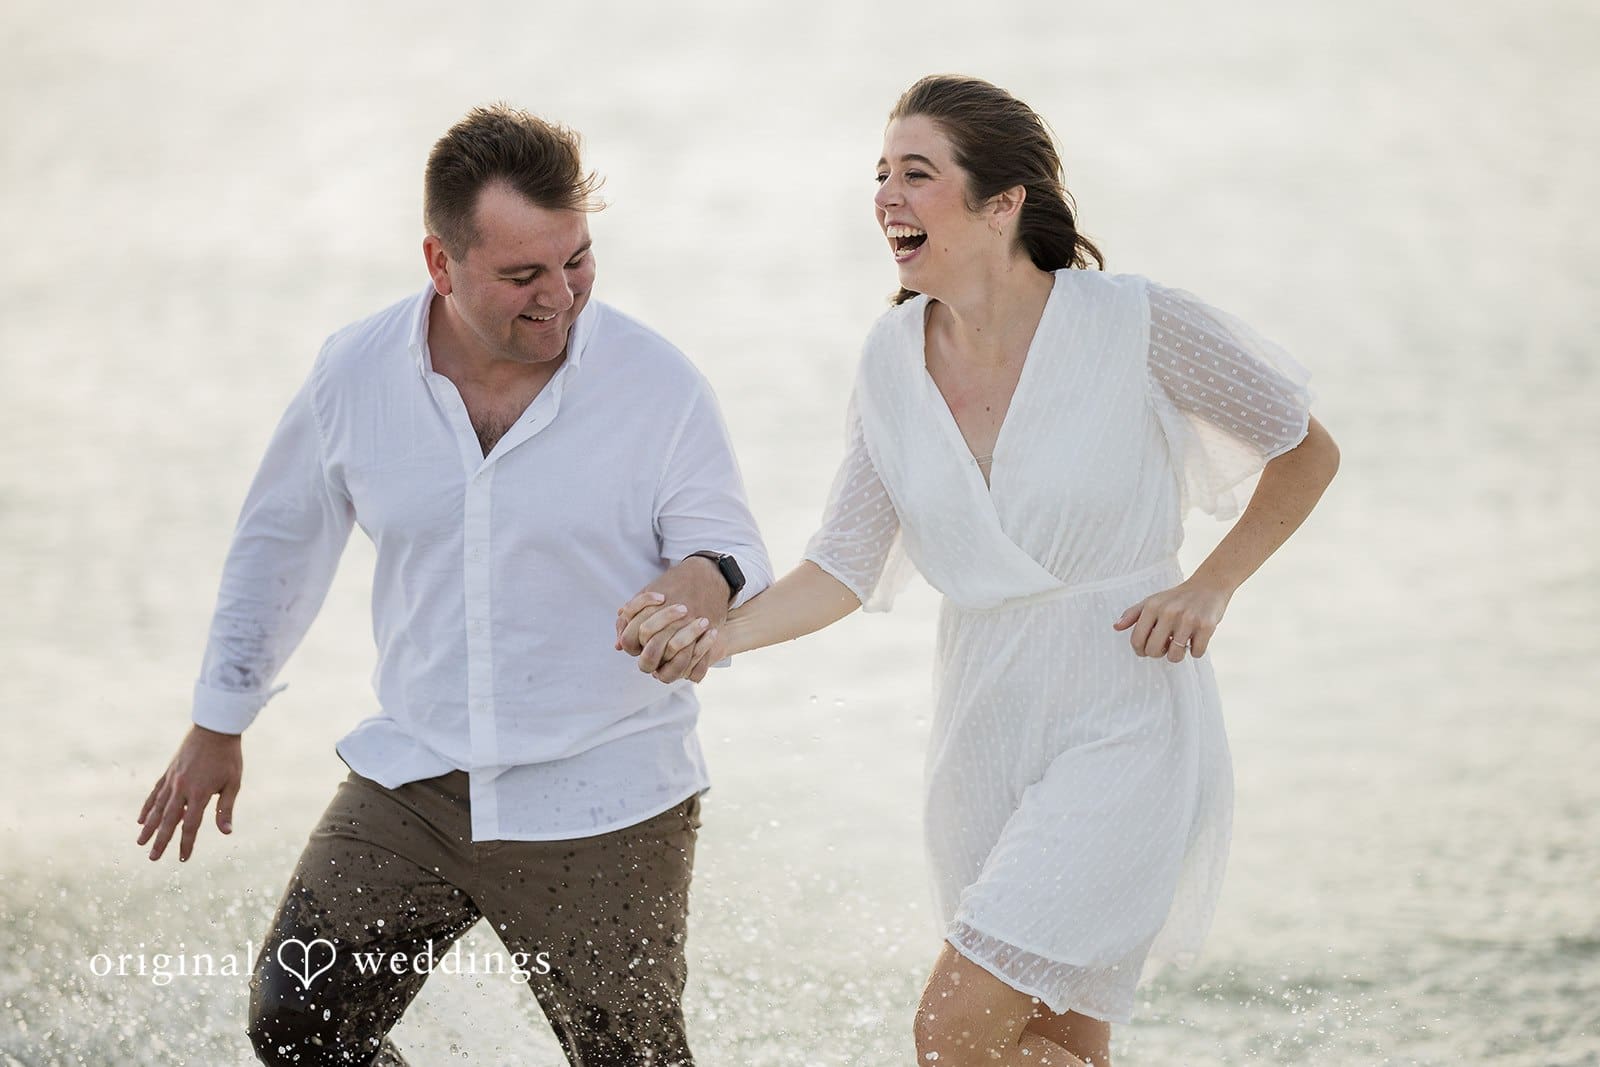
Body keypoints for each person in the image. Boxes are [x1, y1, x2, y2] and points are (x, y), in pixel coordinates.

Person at [618, 75, 1339, 1066]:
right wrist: (721, 635)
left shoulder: (1135, 323)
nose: (886, 196)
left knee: (949, 1032)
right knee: (1052, 1037)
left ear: (1004, 202)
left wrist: (1209, 581)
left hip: (1123, 710)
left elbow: (1304, 450)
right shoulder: (888, 360)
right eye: (881, 174)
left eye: (917, 174)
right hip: (983, 723)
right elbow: (841, 562)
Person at [134, 104, 771, 1067]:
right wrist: (219, 719)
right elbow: (279, 542)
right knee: (300, 1026)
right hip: (418, 781)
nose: (562, 296)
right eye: (524, 275)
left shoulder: (657, 382)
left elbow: (727, 544)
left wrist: (702, 578)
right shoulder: (355, 373)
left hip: (606, 792)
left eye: (578, 260)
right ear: (440, 263)